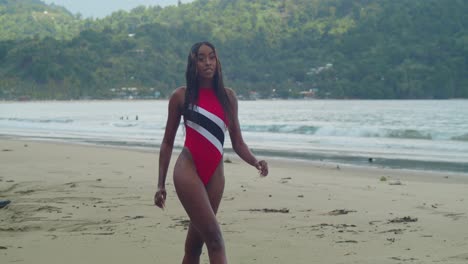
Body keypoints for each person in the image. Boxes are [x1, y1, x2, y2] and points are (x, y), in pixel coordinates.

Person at [154, 41, 268, 264]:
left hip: (216, 175)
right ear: (193, 64)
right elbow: (167, 142)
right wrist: (160, 184)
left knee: (194, 246)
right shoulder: (181, 96)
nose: (208, 62)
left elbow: (237, 142)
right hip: (188, 170)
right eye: (201, 58)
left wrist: (255, 161)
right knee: (215, 239)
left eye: (212, 57)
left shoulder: (228, 97)